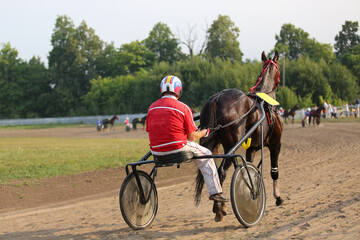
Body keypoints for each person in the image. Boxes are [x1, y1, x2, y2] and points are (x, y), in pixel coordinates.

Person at [146, 75, 229, 202]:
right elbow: (192, 137)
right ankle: (216, 192)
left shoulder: (151, 107)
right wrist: (206, 132)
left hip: (156, 151)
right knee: (207, 154)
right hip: (178, 149)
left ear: (162, 89)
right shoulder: (183, 108)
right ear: (179, 90)